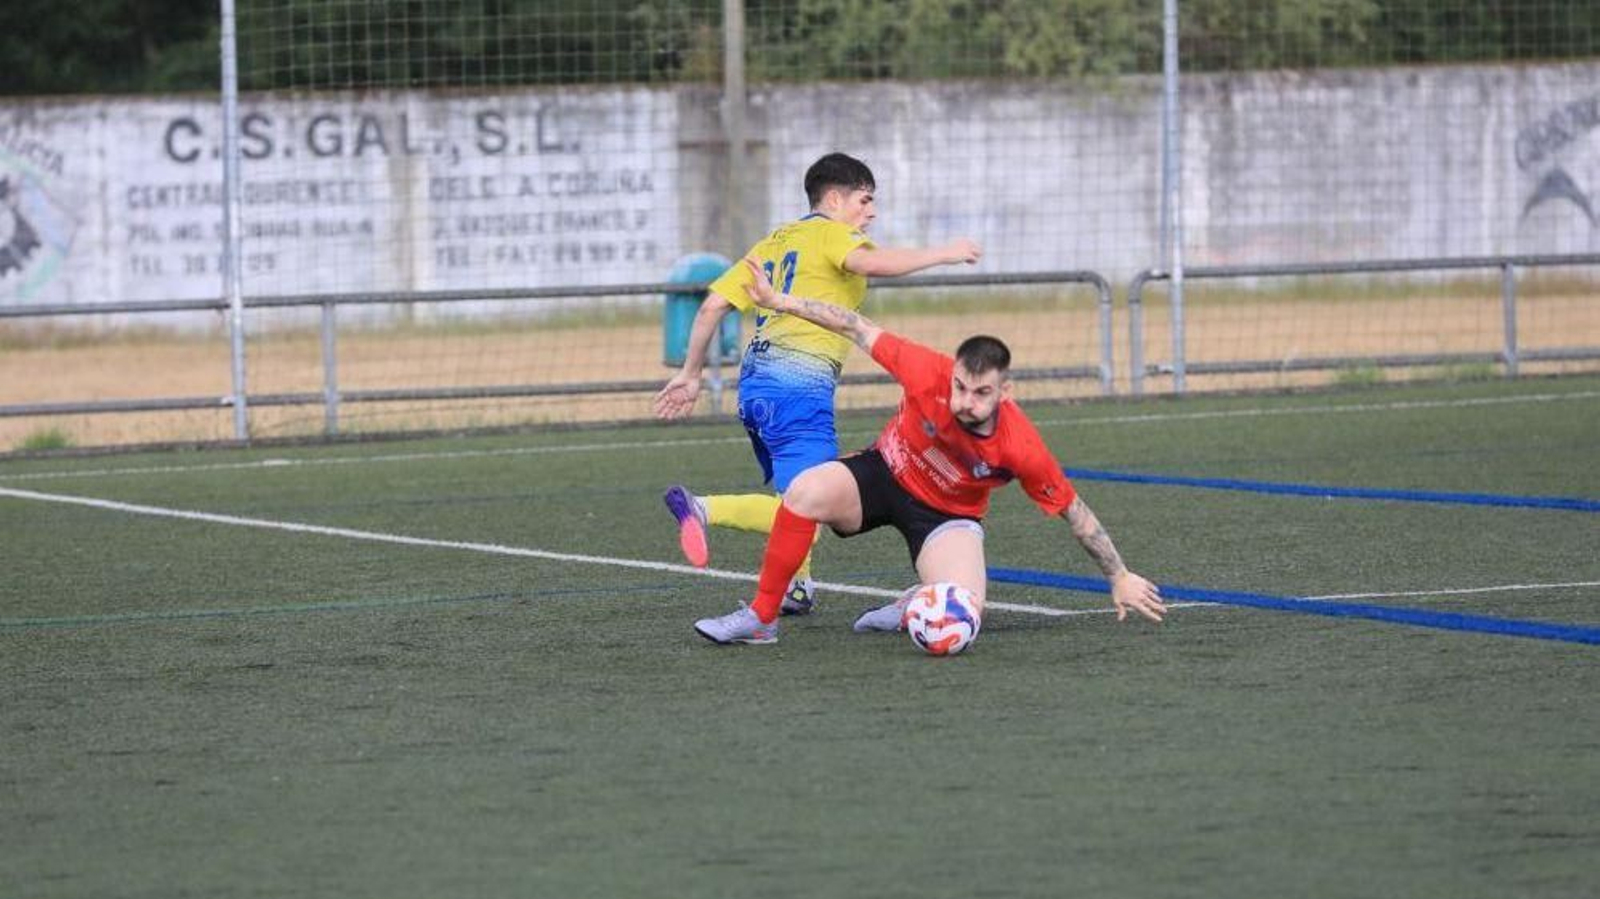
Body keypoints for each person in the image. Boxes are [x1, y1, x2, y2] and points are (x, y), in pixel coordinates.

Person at [692, 259, 1166, 644]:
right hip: (882, 476)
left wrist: (1119, 575)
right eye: (960, 386)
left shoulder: (1021, 446)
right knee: (803, 491)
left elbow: (1074, 512)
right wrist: (779, 301)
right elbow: (854, 324)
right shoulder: (926, 370)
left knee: (962, 618)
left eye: (981, 393)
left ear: (1005, 391)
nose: (964, 401)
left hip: (945, 517)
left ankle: (912, 605)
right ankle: (762, 618)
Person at [654, 152, 981, 616]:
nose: (871, 213)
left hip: (755, 389)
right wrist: (943, 254)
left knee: (797, 492)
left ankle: (798, 587)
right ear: (833, 198)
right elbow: (877, 264)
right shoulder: (833, 234)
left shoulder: (774, 241)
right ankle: (702, 507)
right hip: (799, 391)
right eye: (865, 201)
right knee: (815, 503)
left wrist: (689, 374)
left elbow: (711, 307)